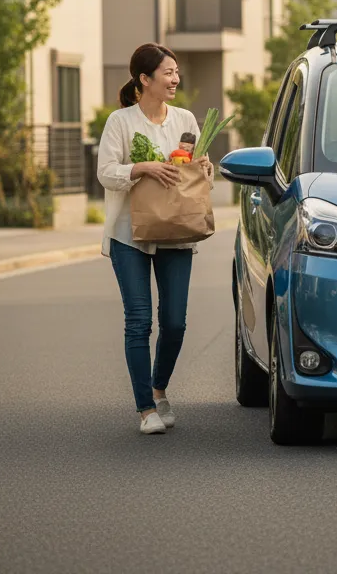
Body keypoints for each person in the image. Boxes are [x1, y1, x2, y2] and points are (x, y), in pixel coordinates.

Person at [97, 43, 213, 435]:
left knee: (175, 322)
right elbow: (106, 172)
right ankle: (146, 408)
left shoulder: (185, 119)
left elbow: (199, 175)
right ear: (144, 80)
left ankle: (159, 388)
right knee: (138, 322)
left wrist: (204, 169)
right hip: (129, 233)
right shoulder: (121, 122)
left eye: (176, 71)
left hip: (176, 232)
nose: (175, 78)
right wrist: (143, 168)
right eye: (167, 72)